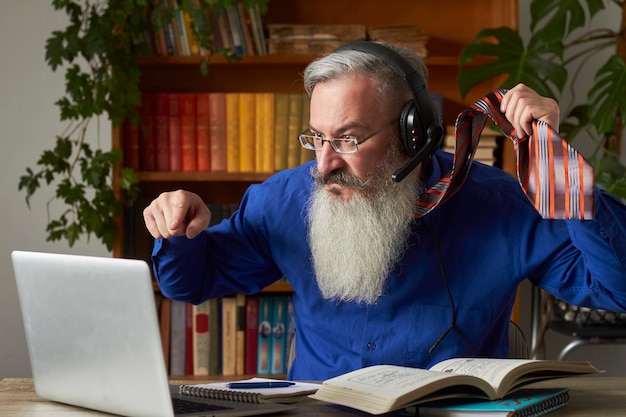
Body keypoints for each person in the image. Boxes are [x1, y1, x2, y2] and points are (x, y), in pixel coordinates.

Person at [143, 41, 626, 380]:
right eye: (317, 138)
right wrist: (178, 225)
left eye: (349, 138)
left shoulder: (499, 206)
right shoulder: (285, 201)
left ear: (412, 133)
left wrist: (554, 162)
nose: (326, 163)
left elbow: (617, 289)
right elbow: (189, 283)